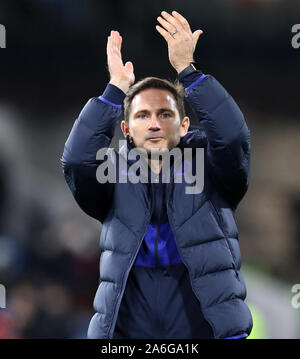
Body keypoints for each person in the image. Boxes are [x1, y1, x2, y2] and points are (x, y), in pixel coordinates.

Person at [61, 10, 252, 339]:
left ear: (184, 125)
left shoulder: (213, 170)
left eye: (165, 114)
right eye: (143, 115)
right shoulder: (111, 176)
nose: (153, 124)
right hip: (127, 331)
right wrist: (114, 92)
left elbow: (233, 138)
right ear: (126, 129)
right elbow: (76, 162)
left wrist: (188, 72)